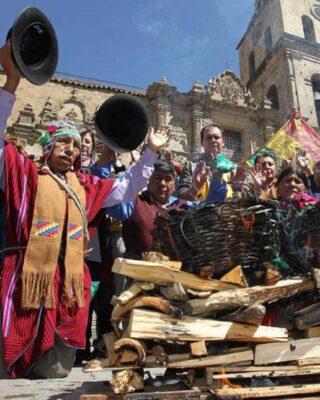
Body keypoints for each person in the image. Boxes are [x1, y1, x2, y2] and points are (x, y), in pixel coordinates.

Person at [0, 42, 170, 378]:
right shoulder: (24, 174)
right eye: (63, 142)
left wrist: (150, 151)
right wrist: (11, 85)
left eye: (76, 145)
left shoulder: (86, 187)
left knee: (57, 371)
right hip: (25, 280)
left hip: (66, 286)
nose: (71, 149)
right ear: (47, 146)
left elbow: (127, 188)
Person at [122, 159, 176, 260]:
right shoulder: (135, 202)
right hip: (137, 272)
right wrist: (134, 167)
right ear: (148, 181)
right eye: (158, 178)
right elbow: (122, 192)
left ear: (174, 186)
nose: (163, 183)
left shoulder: (177, 211)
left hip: (170, 273)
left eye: (168, 179)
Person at [176, 124, 235, 202]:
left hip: (226, 212)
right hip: (198, 212)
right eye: (209, 137)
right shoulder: (191, 166)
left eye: (216, 137)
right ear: (202, 143)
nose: (213, 140)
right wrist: (196, 186)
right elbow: (181, 196)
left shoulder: (233, 168)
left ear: (223, 142)